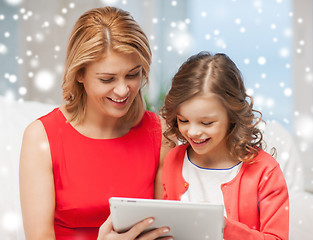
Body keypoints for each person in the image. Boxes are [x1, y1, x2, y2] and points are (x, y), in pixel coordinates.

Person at [19, 7, 173, 240]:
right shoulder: (41, 137)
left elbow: (166, 229)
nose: (123, 90)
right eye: (107, 79)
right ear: (79, 74)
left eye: (133, 75)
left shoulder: (160, 133)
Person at [160, 51, 289, 239]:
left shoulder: (265, 172)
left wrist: (222, 227)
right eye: (184, 120)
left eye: (206, 123)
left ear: (231, 116)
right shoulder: (175, 159)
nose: (193, 132)